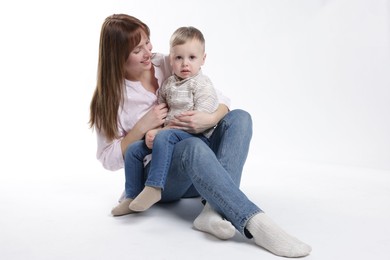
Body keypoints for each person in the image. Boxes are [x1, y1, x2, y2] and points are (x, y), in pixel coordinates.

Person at [89, 14, 312, 257]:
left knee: (240, 118)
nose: (148, 51)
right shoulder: (109, 99)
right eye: (137, 49)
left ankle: (212, 212)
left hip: (196, 172)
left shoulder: (166, 63)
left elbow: (221, 99)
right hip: (160, 178)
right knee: (191, 148)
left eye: (147, 42)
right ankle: (253, 222)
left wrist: (209, 119)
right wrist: (141, 128)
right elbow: (107, 158)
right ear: (117, 57)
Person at [121, 26, 219, 213]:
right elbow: (162, 111)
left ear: (203, 59)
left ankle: (154, 187)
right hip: (168, 136)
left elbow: (198, 121)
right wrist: (152, 132)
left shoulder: (201, 83)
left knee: (164, 137)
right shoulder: (168, 84)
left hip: (195, 138)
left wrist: (161, 132)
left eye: (192, 58)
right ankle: (131, 195)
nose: (185, 64)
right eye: (178, 58)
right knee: (133, 149)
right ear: (170, 59)